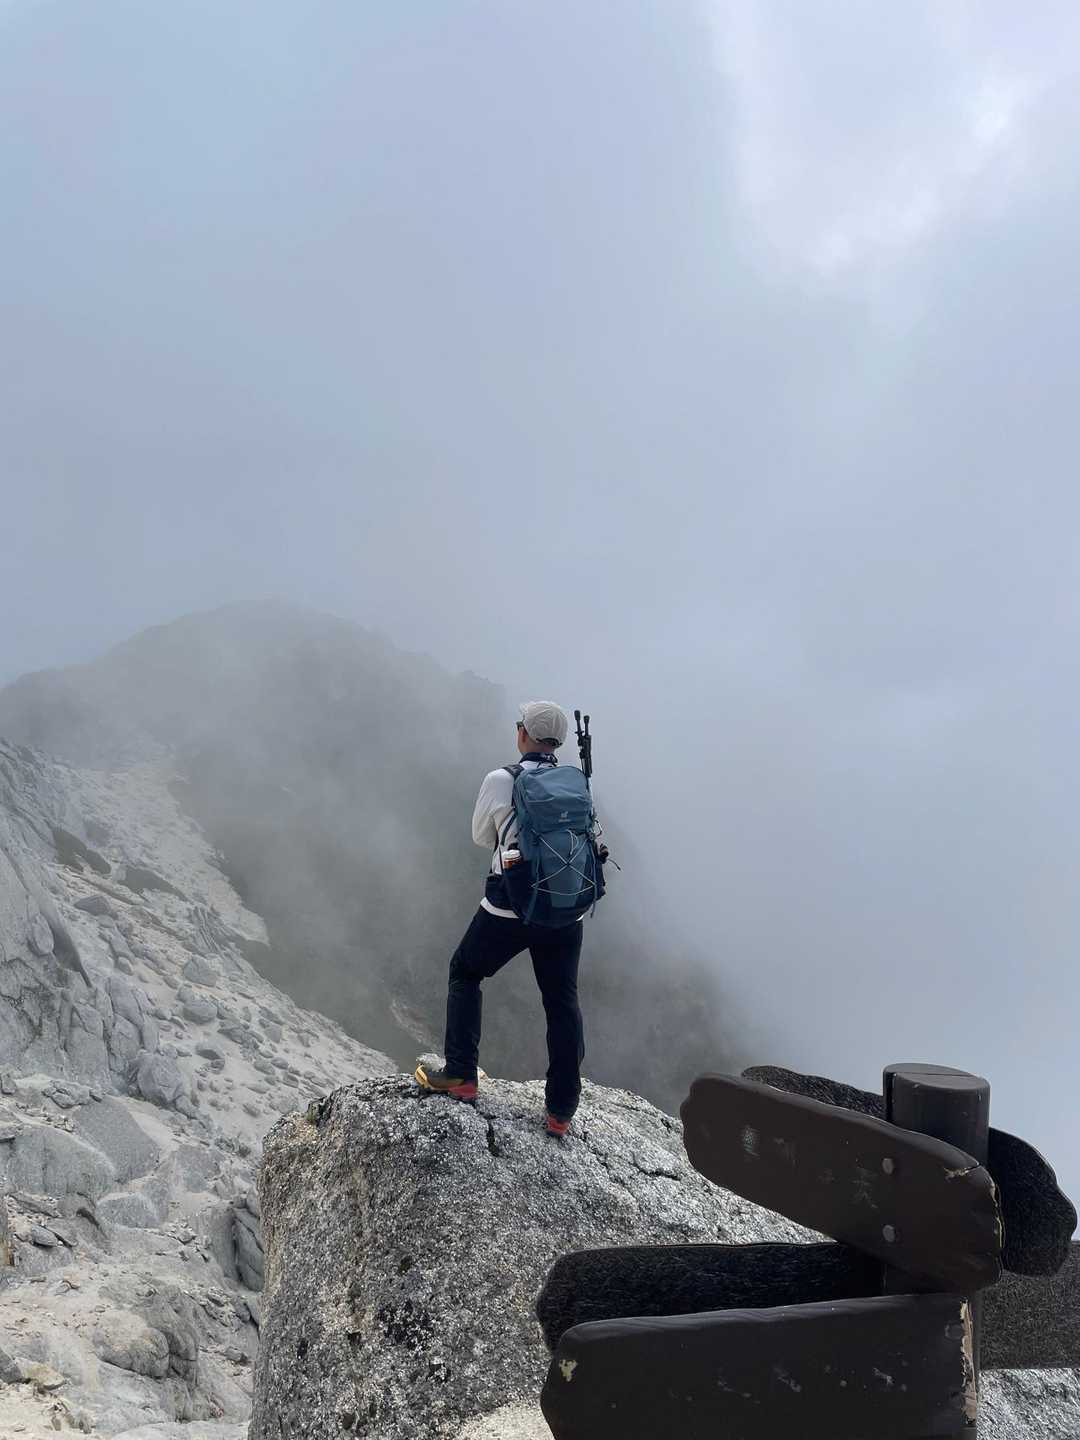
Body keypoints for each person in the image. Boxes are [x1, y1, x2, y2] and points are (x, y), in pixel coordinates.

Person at [415, 700, 590, 1136]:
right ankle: (561, 1111)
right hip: (565, 909)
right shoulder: (576, 781)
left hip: (510, 903)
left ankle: (461, 1074)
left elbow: (481, 836)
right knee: (561, 1002)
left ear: (523, 734)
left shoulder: (501, 779)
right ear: (558, 742)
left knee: (466, 971)